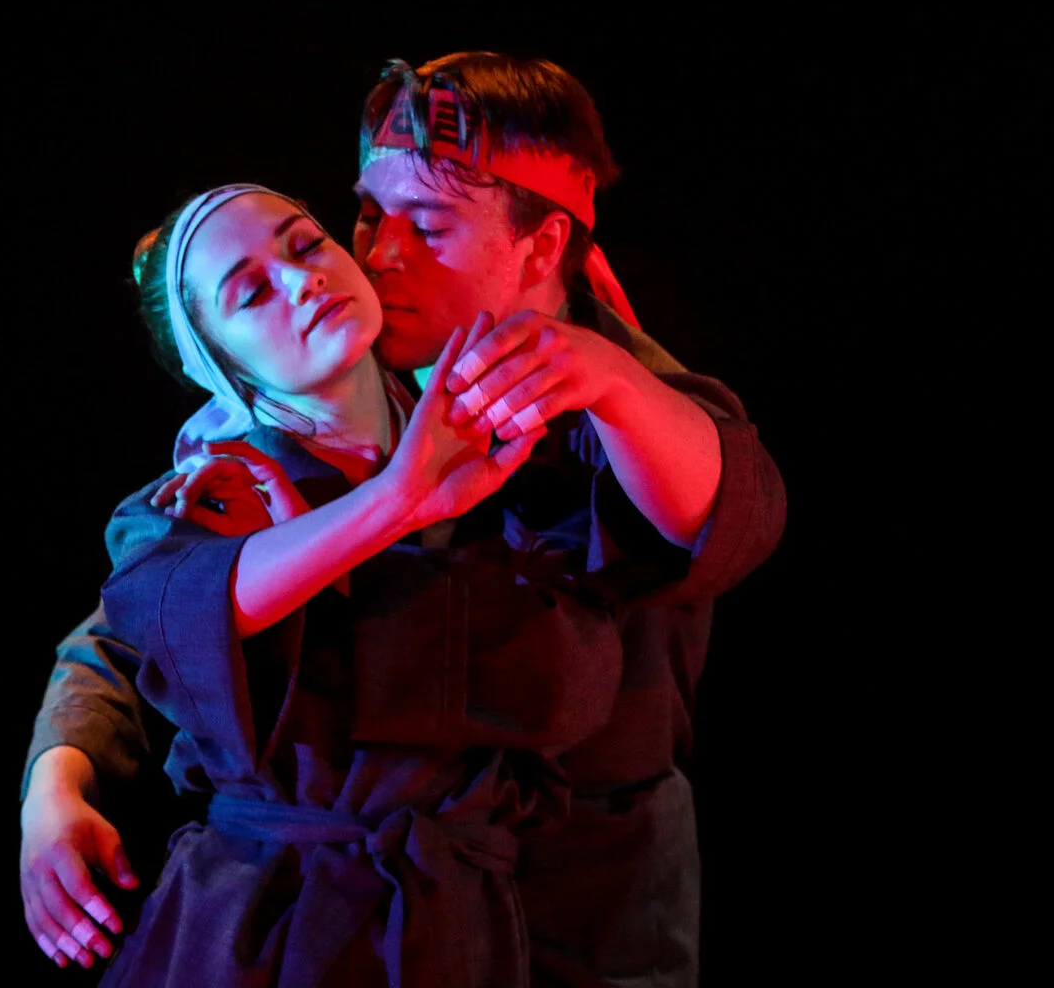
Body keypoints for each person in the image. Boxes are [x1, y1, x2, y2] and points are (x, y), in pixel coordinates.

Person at [21, 53, 787, 986]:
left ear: (541, 245)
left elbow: (729, 512)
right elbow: (142, 616)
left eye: (425, 226)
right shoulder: (283, 431)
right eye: (366, 218)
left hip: (584, 895)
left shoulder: (623, 403)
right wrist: (56, 776)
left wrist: (606, 385)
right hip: (312, 922)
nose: (378, 255)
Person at [58, 182, 630, 986]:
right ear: (222, 365)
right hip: (267, 928)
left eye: (307, 244)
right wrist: (397, 500)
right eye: (252, 293)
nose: (304, 279)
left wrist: (615, 365)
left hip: (461, 924)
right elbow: (152, 620)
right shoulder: (202, 502)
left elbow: (582, 681)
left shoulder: (506, 455)